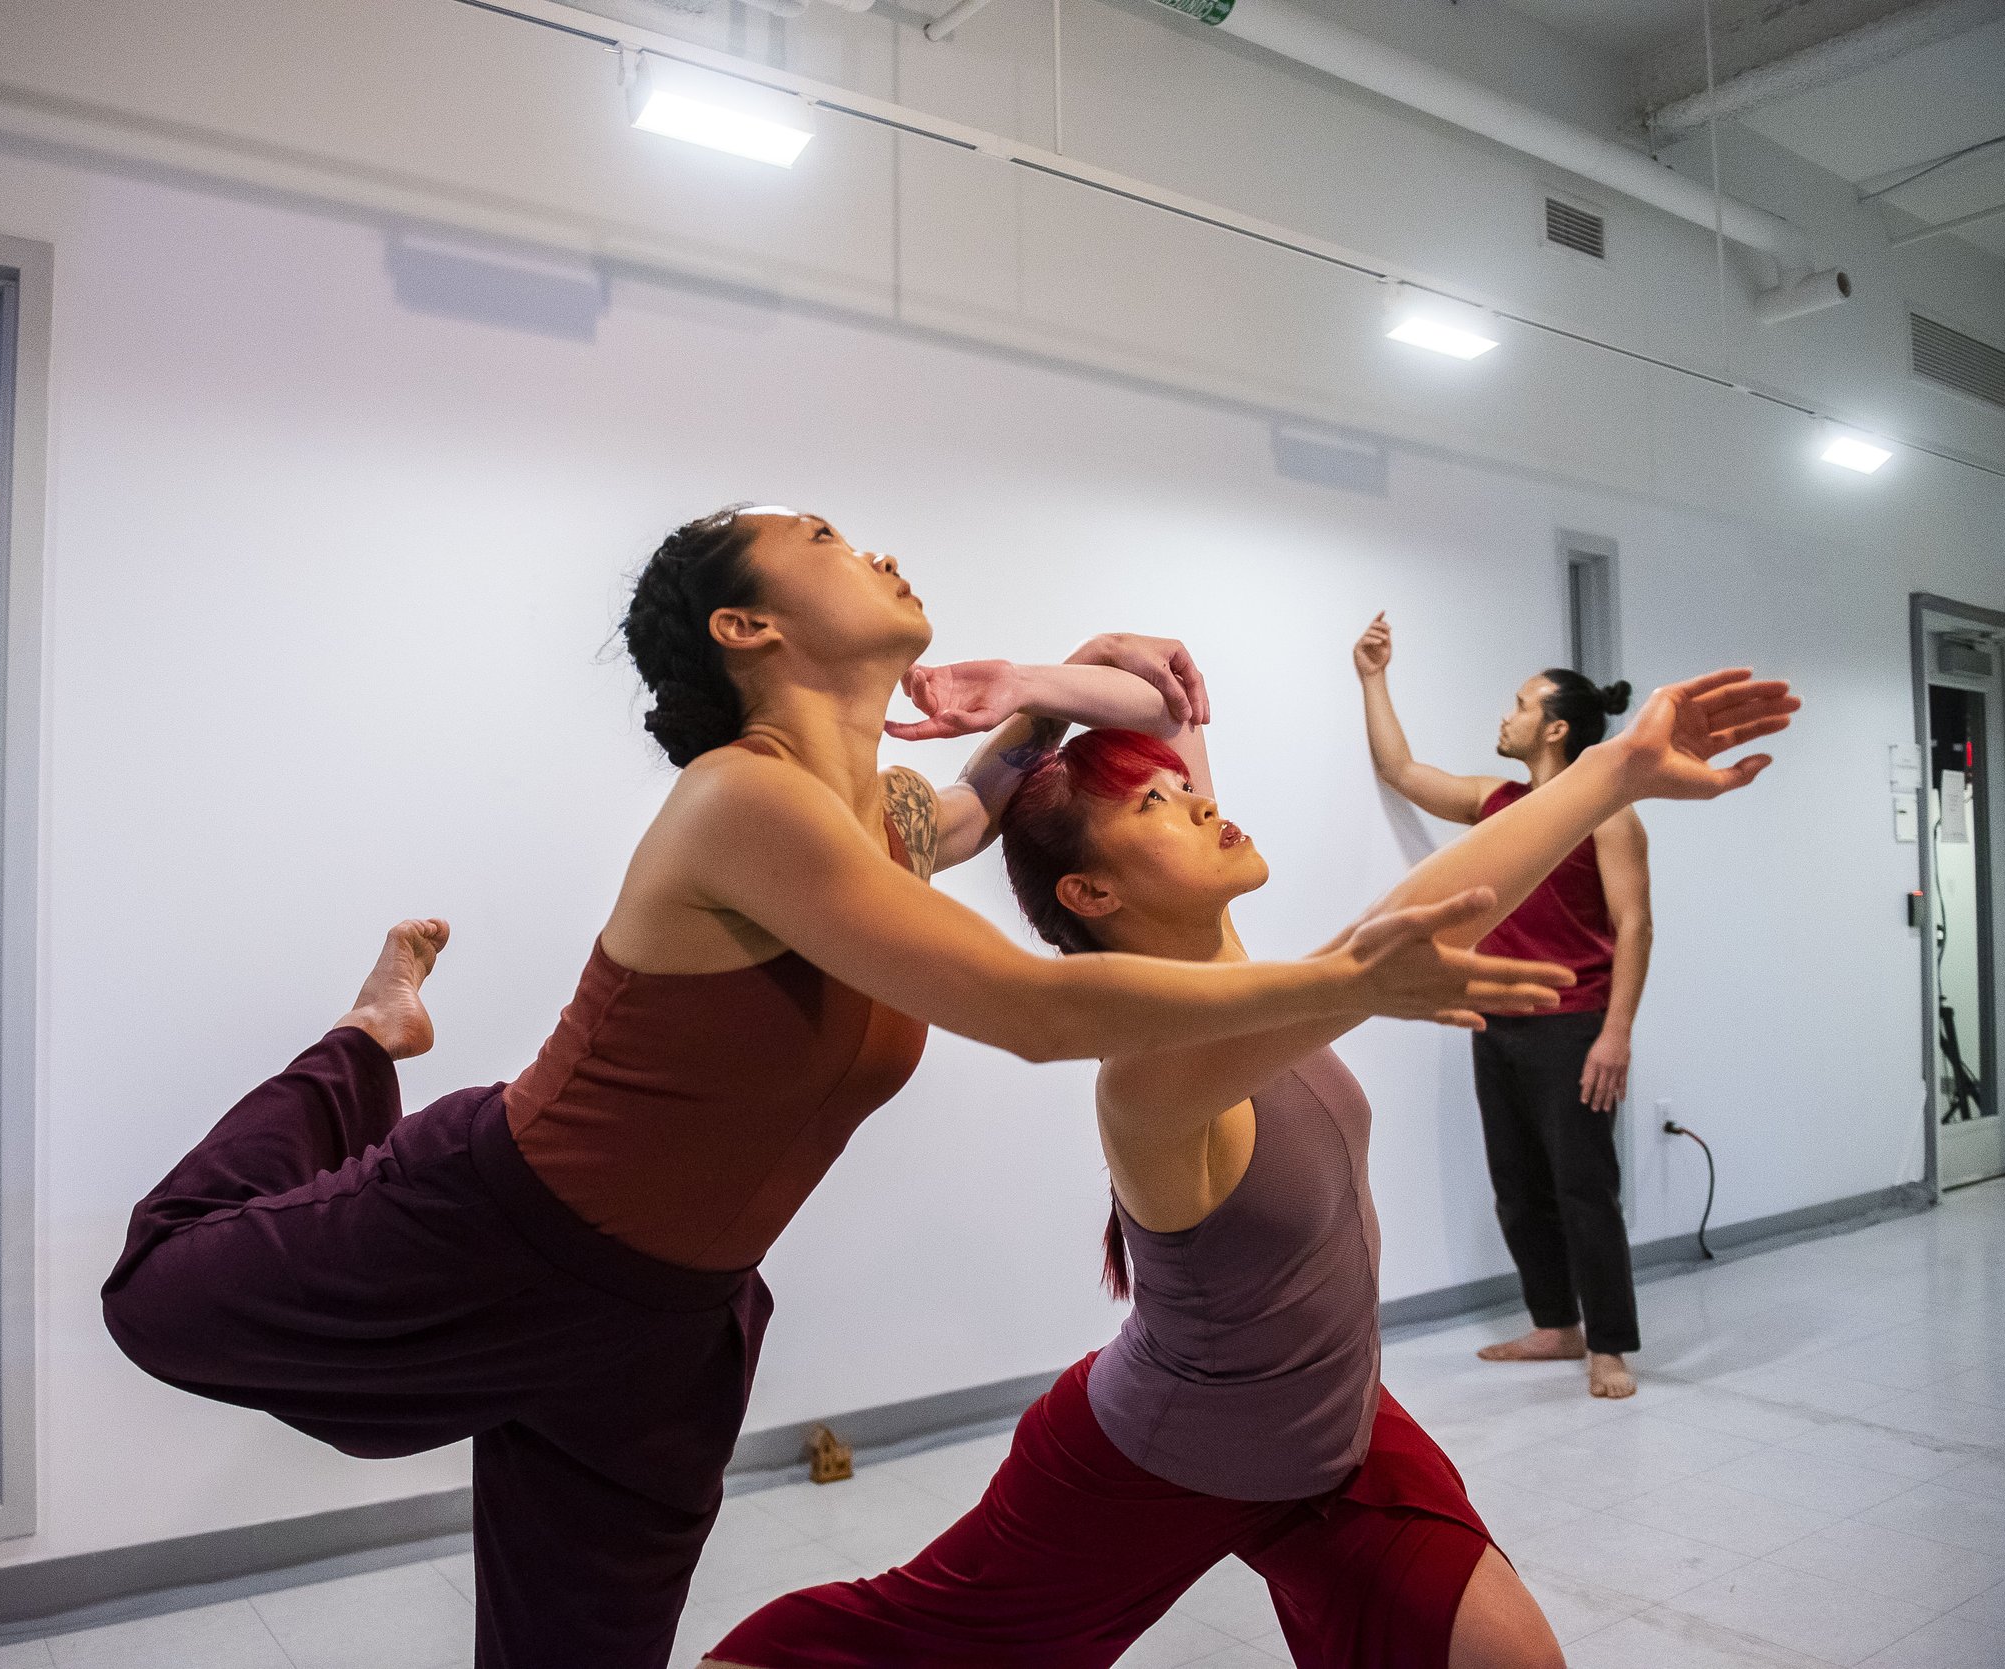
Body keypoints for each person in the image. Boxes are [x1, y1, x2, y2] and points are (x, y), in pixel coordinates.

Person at [99, 506, 1574, 1669]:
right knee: (156, 1290)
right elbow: (1032, 1004)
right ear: (746, 626)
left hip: (669, 1326)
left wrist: (1052, 684)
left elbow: (1108, 723)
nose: (864, 544)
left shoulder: (882, 819)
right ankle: (366, 1038)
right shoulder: (741, 799)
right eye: (819, 540)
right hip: (498, 1224)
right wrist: (1350, 980)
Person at [705, 655, 1795, 1669]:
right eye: (1153, 809)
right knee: (902, 1640)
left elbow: (1169, 705)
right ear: (1092, 894)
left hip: (1330, 1432)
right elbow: (1370, 948)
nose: (1200, 803)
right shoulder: (1148, 1071)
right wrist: (1613, 771)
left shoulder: (1231, 963)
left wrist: (1035, 686)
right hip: (1160, 1456)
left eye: (1183, 793)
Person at [1354, 614, 1651, 1399]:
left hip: (1574, 1023)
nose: (1505, 715)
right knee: (1517, 1184)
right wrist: (1373, 676)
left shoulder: (1609, 814)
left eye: (1519, 703)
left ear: (1554, 726)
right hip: (1495, 1020)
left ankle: (1610, 1347)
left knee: (1585, 1188)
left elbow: (1635, 924)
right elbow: (1401, 769)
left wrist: (1615, 1033)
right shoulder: (1496, 800)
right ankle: (1557, 1325)